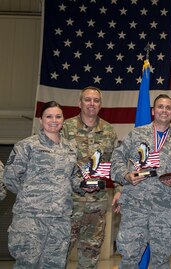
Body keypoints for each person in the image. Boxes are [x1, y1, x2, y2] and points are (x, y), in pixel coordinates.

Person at [110, 94, 171, 268]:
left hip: (164, 209)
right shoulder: (136, 134)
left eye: (168, 108)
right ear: (153, 111)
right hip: (135, 207)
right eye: (160, 107)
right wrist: (125, 175)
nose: (164, 111)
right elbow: (117, 157)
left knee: (161, 260)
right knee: (129, 258)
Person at [4, 101, 84, 269]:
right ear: (41, 120)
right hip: (31, 218)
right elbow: (10, 178)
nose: (53, 120)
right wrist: (32, 197)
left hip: (60, 219)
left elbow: (73, 178)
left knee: (55, 264)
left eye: (58, 116)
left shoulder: (70, 148)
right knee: (27, 264)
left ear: (63, 119)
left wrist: (85, 185)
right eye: (48, 116)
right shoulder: (26, 146)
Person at [62, 86, 118, 269]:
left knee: (90, 255)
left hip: (96, 204)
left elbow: (114, 164)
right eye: (87, 99)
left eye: (96, 100)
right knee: (59, 253)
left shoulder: (108, 131)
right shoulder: (65, 128)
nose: (91, 103)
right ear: (80, 103)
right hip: (68, 203)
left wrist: (119, 189)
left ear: (100, 105)